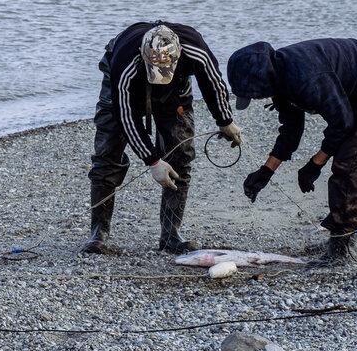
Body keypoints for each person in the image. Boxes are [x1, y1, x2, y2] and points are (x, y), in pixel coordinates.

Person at [227, 38, 357, 266]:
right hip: (355, 91)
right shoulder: (279, 76)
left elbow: (342, 124)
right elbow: (291, 130)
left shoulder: (307, 77)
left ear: (263, 80)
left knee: (350, 163)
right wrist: (265, 172)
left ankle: (342, 247)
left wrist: (315, 164)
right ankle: (341, 236)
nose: (256, 98)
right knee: (345, 156)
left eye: (255, 93)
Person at [84, 21, 242, 255]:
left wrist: (225, 120)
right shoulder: (125, 63)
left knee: (181, 156)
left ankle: (170, 235)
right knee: (107, 155)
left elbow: (214, 84)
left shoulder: (195, 51)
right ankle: (99, 234)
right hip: (126, 85)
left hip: (176, 88)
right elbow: (126, 116)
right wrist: (153, 161)